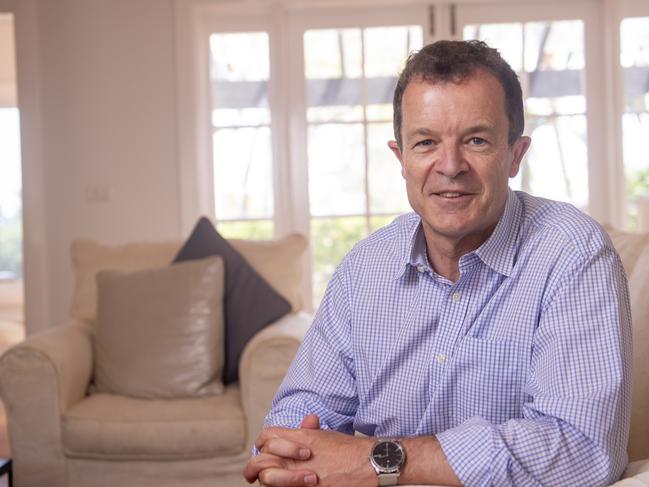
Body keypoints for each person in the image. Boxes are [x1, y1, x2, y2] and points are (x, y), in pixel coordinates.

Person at [243, 40, 632, 487]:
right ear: (401, 157)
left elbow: (579, 451)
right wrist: (290, 457)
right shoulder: (364, 269)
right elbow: (291, 422)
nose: (450, 165)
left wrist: (380, 462)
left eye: (476, 140)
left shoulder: (573, 255)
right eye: (426, 142)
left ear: (515, 155)